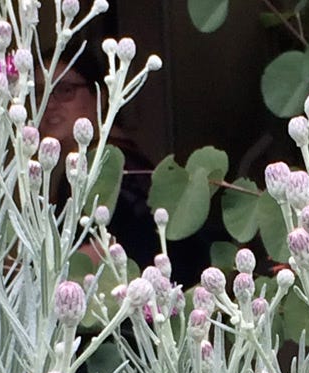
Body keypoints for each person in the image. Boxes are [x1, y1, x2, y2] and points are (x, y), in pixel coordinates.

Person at [37, 41, 209, 286]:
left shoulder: (95, 168)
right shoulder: (129, 160)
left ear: (101, 96)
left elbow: (92, 258)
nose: (49, 103)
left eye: (64, 90)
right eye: (39, 92)